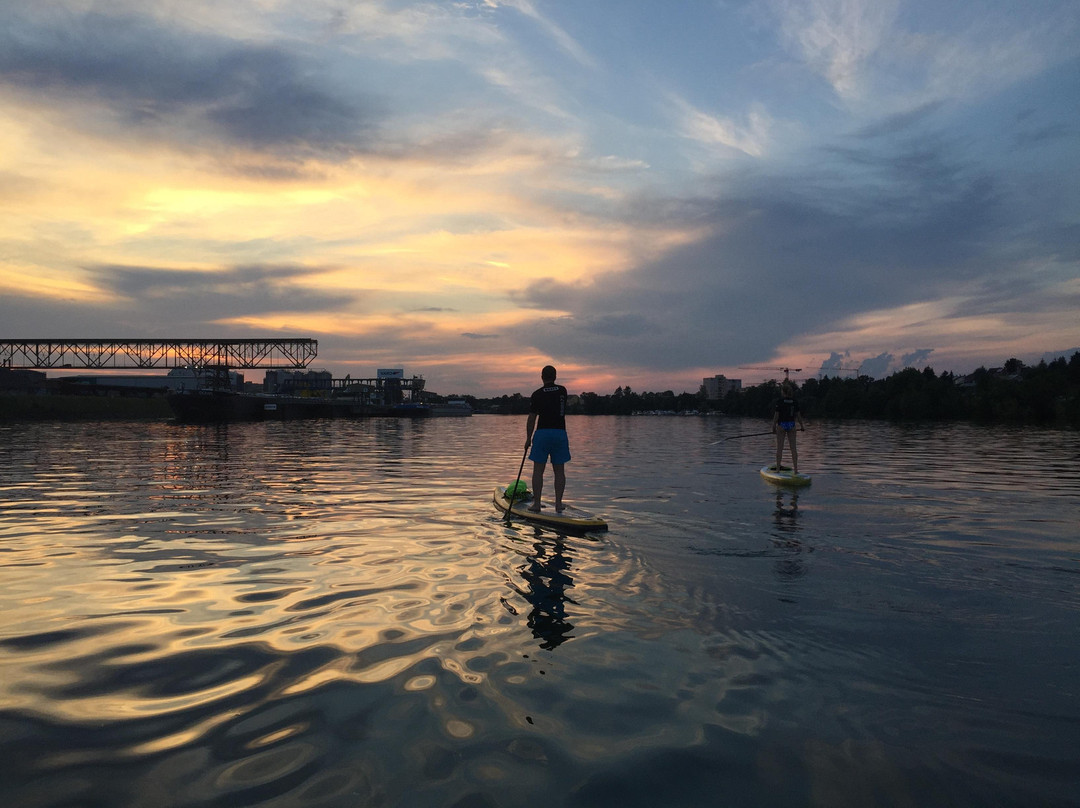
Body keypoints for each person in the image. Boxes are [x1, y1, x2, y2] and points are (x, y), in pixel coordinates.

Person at [525, 365, 570, 513]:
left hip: (542, 434)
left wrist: (528, 439)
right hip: (559, 433)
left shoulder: (537, 394)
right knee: (559, 471)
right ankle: (558, 504)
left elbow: (532, 418)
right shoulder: (563, 391)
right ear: (555, 376)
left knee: (538, 471)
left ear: (542, 377)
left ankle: (537, 504)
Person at [771, 381, 805, 473]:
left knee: (780, 448)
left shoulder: (780, 401)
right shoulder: (795, 401)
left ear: (783, 392)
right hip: (791, 425)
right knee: (793, 448)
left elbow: (776, 416)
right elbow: (798, 416)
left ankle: (778, 469)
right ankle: (796, 470)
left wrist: (773, 426)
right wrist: (802, 426)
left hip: (781, 425)